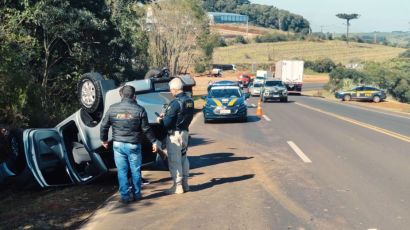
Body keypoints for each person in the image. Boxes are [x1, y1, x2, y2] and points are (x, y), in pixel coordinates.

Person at [100, 85, 158, 203]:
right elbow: (146, 129)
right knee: (135, 170)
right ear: (134, 96)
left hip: (118, 145)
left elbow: (104, 125)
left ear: (121, 95)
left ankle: (125, 197)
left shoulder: (112, 108)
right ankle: (137, 195)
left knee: (122, 171)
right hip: (134, 145)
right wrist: (153, 141)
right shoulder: (140, 109)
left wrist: (104, 140)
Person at [157, 78, 194, 194]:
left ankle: (177, 186)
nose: (170, 91)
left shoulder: (174, 103)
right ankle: (186, 184)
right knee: (184, 158)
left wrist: (160, 120)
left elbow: (167, 122)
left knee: (174, 160)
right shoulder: (190, 100)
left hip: (174, 135)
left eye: (170, 89)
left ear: (173, 89)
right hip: (185, 133)